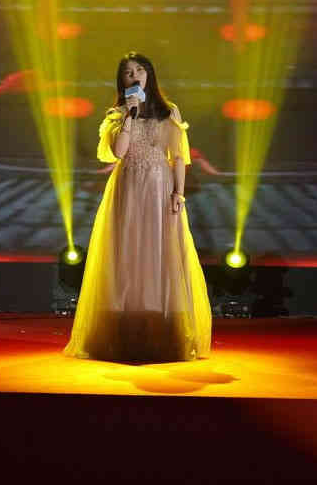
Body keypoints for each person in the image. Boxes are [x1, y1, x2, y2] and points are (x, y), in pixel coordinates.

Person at [64, 52, 211, 362]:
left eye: (139, 70)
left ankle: (164, 329)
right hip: (128, 186)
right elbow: (118, 152)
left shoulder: (168, 111)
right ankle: (122, 329)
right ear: (122, 80)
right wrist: (128, 116)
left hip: (160, 186)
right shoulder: (117, 114)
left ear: (149, 75)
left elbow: (178, 156)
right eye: (128, 72)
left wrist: (178, 192)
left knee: (160, 251)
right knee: (126, 252)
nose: (134, 76)